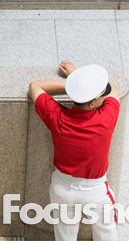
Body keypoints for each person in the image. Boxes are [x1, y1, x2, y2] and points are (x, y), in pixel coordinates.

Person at [28, 61, 120, 241]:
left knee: (65, 236)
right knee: (107, 233)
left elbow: (35, 86)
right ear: (92, 104)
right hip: (96, 192)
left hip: (62, 189)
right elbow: (113, 88)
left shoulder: (57, 117)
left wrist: (74, 86)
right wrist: (75, 75)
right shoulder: (107, 118)